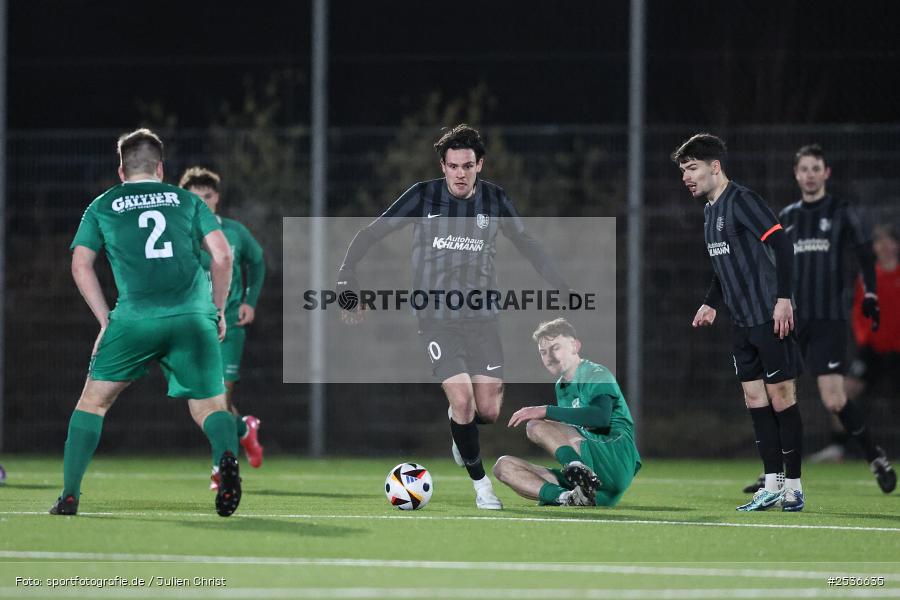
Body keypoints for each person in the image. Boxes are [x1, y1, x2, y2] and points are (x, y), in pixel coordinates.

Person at [336, 124, 570, 510]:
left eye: (467, 165)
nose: (460, 173)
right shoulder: (423, 196)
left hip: (483, 320)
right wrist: (347, 279)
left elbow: (526, 243)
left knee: (489, 411)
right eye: (452, 166)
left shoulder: (495, 200)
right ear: (442, 166)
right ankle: (481, 487)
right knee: (463, 401)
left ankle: (459, 427)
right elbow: (369, 234)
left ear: (480, 165)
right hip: (436, 318)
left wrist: (559, 283)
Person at [52, 128, 241, 517]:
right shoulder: (188, 200)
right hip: (192, 316)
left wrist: (105, 319)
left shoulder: (102, 204)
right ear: (160, 167)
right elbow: (222, 257)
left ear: (121, 169)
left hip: (134, 319)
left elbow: (79, 263)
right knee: (210, 407)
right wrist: (218, 310)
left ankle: (69, 495)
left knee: (93, 403)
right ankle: (225, 461)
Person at [742, 145, 894, 494]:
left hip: (827, 321)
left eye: (816, 168)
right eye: (803, 169)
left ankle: (875, 458)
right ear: (796, 175)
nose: (809, 174)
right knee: (777, 393)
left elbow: (864, 256)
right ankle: (775, 474)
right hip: (791, 320)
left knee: (834, 400)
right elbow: (771, 263)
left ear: (826, 173)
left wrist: (870, 294)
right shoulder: (788, 215)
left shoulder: (840, 212)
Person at [674, 133, 806, 512]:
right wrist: (710, 304)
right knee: (754, 398)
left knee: (782, 397)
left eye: (692, 168)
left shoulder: (743, 201)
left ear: (715, 167)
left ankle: (794, 485)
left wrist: (783, 299)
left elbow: (781, 244)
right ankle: (772, 483)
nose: (686, 176)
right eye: (683, 170)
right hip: (741, 321)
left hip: (769, 315)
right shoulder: (709, 212)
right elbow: (722, 266)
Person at [179, 167, 266, 488]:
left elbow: (257, 262)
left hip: (228, 328)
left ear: (216, 198)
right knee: (204, 403)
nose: (202, 201)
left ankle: (222, 467)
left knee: (219, 398)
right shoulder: (179, 233)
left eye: (208, 196)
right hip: (191, 328)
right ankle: (245, 430)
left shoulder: (234, 232)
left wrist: (249, 301)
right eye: (195, 196)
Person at [492, 318, 641, 507]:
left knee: (534, 425)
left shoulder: (596, 373)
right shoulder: (562, 386)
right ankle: (569, 497)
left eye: (555, 348)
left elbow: (600, 417)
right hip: (597, 480)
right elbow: (571, 432)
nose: (549, 356)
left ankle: (577, 470)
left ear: (575, 346)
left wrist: (545, 410)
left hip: (614, 457)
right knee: (503, 467)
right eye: (543, 352)